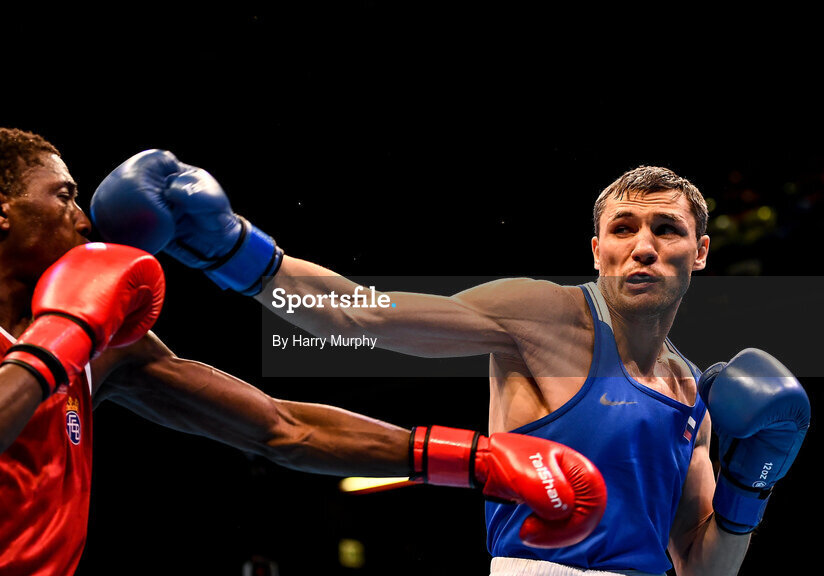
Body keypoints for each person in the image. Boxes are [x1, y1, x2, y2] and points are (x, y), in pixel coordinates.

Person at [0, 127, 608, 576]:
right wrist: (66, 333)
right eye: (65, 194)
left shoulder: (100, 348)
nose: (84, 219)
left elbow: (280, 428)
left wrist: (468, 459)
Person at [92, 155, 811, 575]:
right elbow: (353, 314)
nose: (643, 246)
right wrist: (232, 249)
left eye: (667, 229)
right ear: (596, 251)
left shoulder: (692, 391)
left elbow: (700, 563)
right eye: (622, 229)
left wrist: (755, 483)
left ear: (702, 252)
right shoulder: (544, 317)